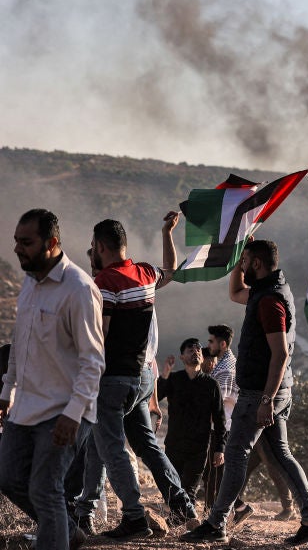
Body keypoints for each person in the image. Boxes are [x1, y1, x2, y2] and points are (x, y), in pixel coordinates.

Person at [183, 240, 308, 544]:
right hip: (272, 390)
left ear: (258, 264)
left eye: (246, 260)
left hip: (261, 393)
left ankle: (217, 523)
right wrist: (238, 259)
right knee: (281, 454)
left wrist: (266, 399)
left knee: (235, 454)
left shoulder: (268, 301)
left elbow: (280, 354)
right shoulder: (269, 290)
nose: (243, 265)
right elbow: (235, 293)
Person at [79, 215, 198, 539]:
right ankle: (183, 505)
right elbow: (170, 270)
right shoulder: (145, 272)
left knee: (111, 447)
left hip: (113, 380)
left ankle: (133, 517)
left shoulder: (104, 283)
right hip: (144, 378)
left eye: (93, 247)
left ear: (101, 247)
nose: (92, 251)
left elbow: (99, 338)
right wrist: (165, 233)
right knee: (139, 444)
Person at [0, 208, 104, 550]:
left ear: (52, 243)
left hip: (63, 410)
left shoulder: (78, 289)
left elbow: (93, 361)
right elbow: (20, 343)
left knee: (45, 490)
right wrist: (7, 390)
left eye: (26, 242)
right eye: (16, 241)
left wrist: (73, 413)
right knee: (10, 478)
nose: (17, 249)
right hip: (26, 405)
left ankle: (57, 532)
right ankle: (65, 529)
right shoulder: (30, 283)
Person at [158, 338, 227, 503]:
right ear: (182, 357)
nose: (195, 352)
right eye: (190, 350)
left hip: (199, 448)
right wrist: (165, 373)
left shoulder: (211, 384)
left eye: (198, 350)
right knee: (172, 489)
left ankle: (186, 524)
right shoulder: (174, 379)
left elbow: (219, 418)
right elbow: (158, 395)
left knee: (189, 491)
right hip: (174, 444)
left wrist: (220, 449)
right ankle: (179, 522)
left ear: (202, 358)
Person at [204, 324, 236, 510]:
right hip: (222, 426)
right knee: (213, 475)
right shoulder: (225, 363)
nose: (208, 345)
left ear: (222, 344)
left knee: (214, 477)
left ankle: (214, 516)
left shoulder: (225, 370)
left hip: (220, 428)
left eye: (211, 341)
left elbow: (217, 404)